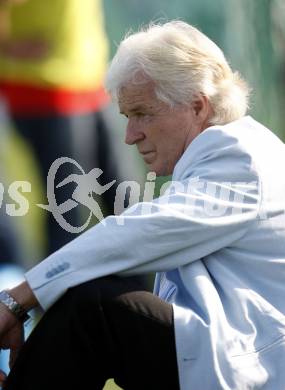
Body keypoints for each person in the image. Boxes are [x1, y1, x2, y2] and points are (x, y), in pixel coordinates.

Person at [0, 20, 285, 390]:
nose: (130, 136)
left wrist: (18, 299)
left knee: (96, 310)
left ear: (197, 106)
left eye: (142, 113)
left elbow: (140, 231)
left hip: (257, 369)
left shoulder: (240, 157)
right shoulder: (229, 154)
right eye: (126, 116)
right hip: (242, 357)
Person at [0, 0, 140, 256]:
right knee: (69, 213)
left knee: (125, 200)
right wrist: (7, 45)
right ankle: (62, 294)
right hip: (43, 90)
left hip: (92, 84)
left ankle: (142, 290)